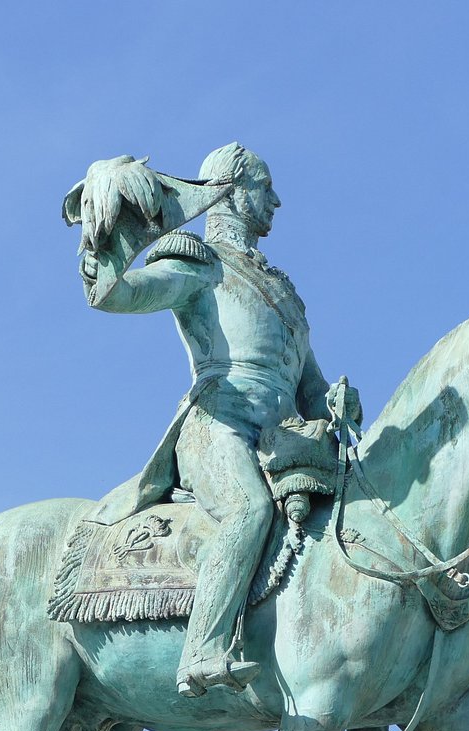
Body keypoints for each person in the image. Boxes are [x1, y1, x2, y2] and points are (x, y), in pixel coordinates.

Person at [80, 142, 359, 698]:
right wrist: (103, 251)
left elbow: (308, 386)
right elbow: (120, 295)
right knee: (248, 510)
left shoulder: (284, 293)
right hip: (219, 426)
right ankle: (202, 650)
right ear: (232, 190)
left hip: (283, 439)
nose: (276, 200)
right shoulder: (201, 264)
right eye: (265, 186)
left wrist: (336, 402)